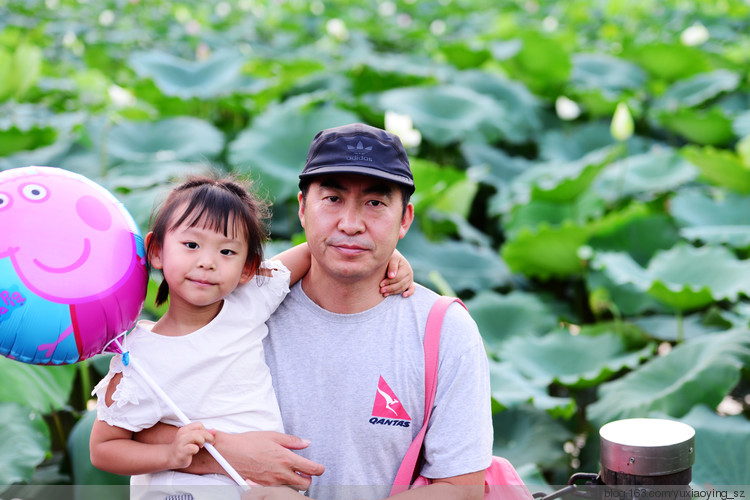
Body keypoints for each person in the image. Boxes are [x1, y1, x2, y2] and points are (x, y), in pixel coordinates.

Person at [138, 124, 493, 500]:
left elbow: (461, 487)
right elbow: (136, 430)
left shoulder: (444, 330)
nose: (351, 224)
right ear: (303, 209)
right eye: (333, 199)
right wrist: (226, 454)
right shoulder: (242, 305)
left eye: (375, 203)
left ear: (404, 219)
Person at [88, 173, 415, 500]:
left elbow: (314, 254)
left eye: (227, 252)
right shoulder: (138, 358)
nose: (207, 262)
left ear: (248, 268)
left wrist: (386, 257)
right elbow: (104, 448)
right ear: (156, 251)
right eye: (191, 245)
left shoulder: (248, 302)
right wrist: (170, 454)